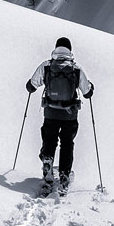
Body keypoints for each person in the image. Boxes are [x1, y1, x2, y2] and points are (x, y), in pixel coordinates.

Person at [25, 37, 94, 195]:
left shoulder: (47, 66)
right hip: (70, 115)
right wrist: (91, 88)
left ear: (56, 49)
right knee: (67, 143)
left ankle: (48, 160)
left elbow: (31, 86)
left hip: (50, 112)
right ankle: (64, 175)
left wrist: (30, 86)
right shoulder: (75, 68)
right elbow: (87, 92)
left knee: (49, 139)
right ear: (69, 50)